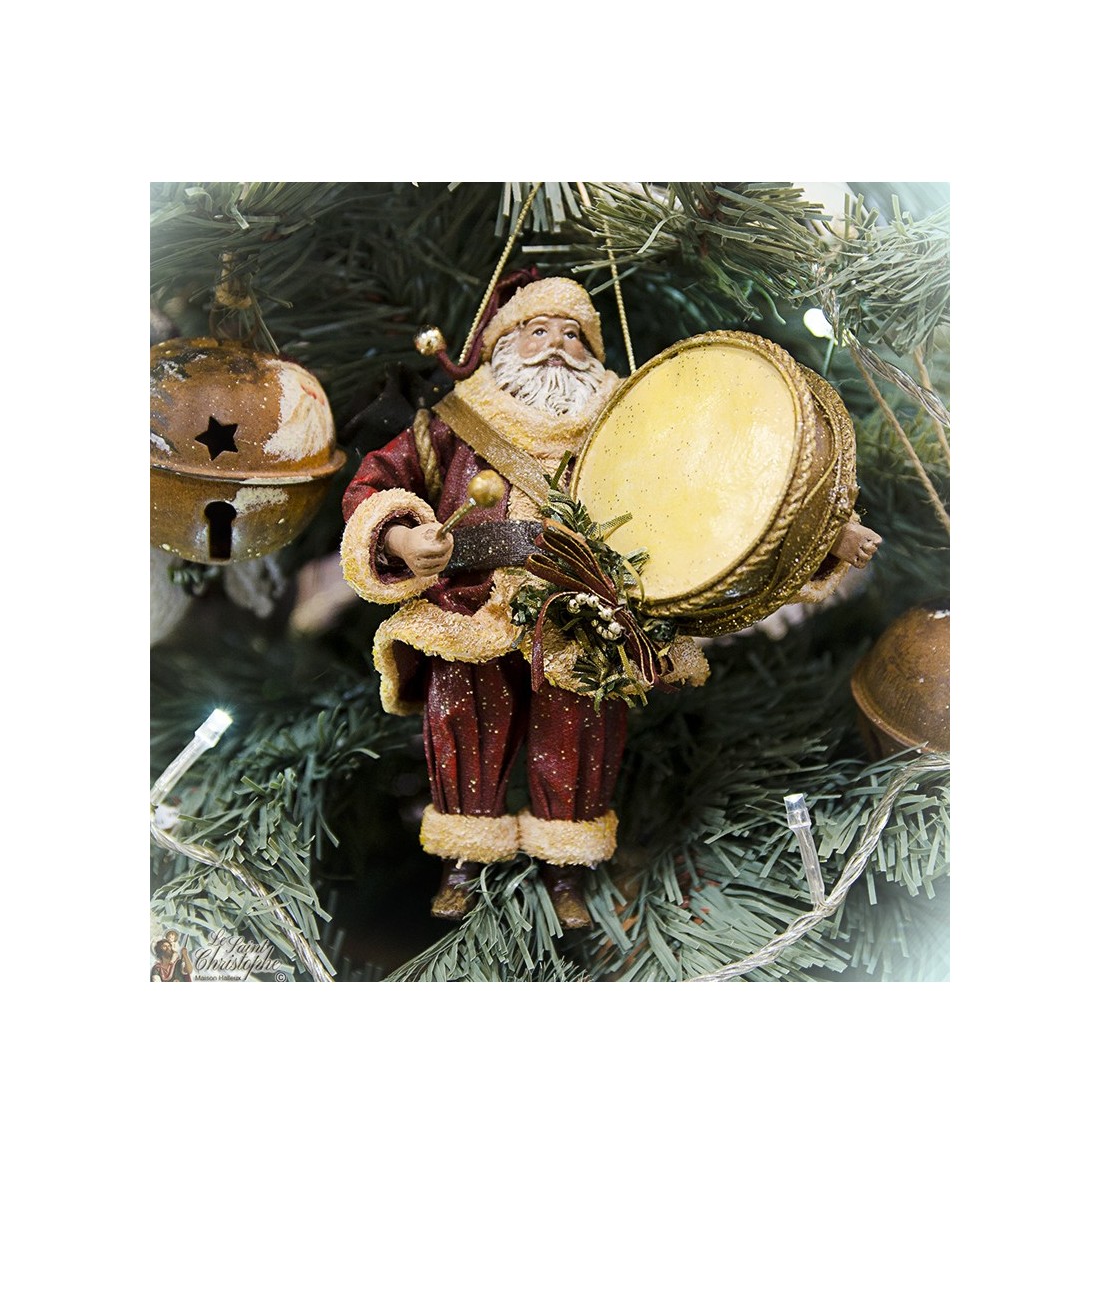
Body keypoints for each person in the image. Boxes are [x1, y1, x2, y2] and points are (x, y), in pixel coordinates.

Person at [340, 277, 879, 927]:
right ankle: (463, 856)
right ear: (503, 344)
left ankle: (566, 866)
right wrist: (400, 537)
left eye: (573, 335)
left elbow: (729, 491)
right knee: (465, 720)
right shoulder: (454, 420)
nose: (556, 345)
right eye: (537, 331)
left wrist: (828, 532)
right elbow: (377, 481)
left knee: (580, 732)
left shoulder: (633, 426)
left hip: (587, 611)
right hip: (470, 605)